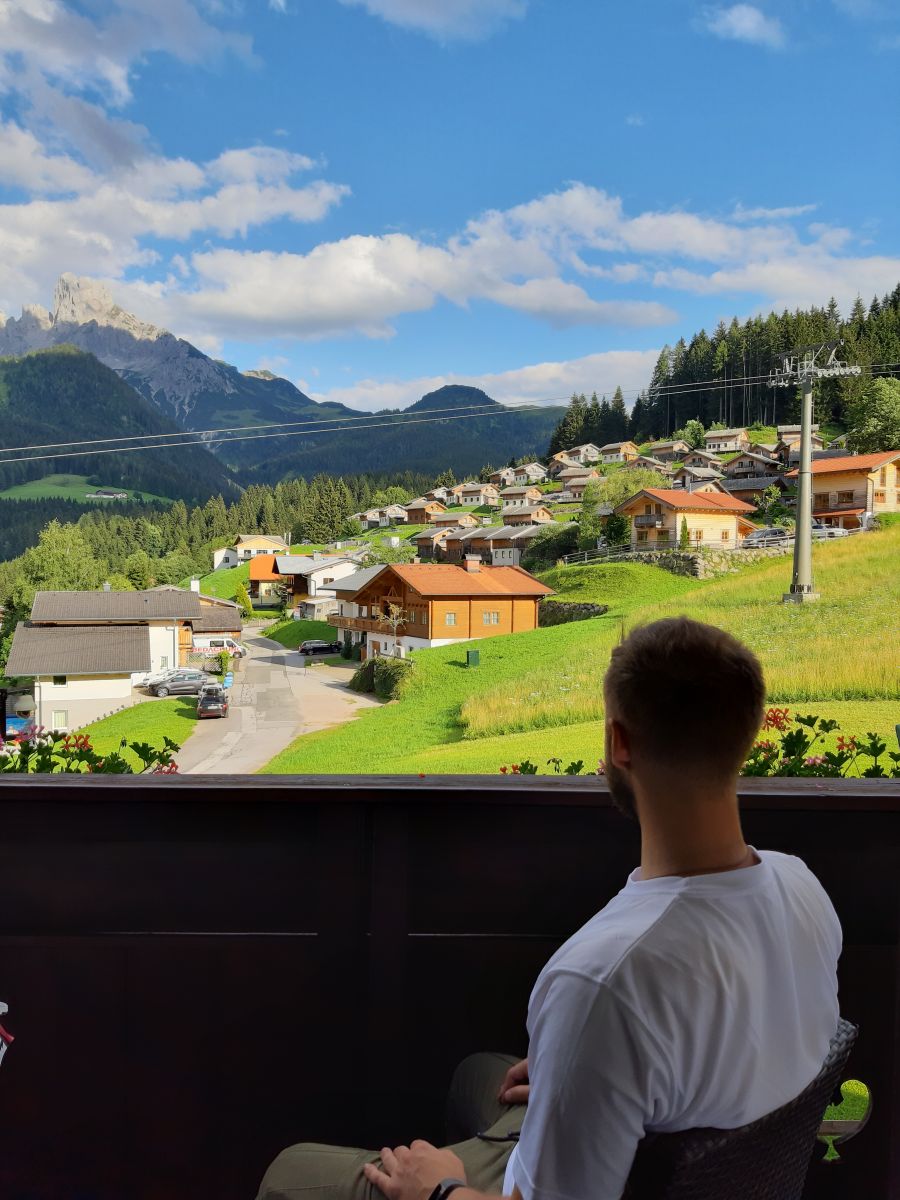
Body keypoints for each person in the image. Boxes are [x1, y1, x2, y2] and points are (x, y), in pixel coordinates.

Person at [257, 617, 842, 1200]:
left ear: (619, 743)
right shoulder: (802, 886)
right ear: (745, 732)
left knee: (292, 1173)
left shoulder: (604, 981)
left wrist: (437, 1190)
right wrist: (591, 1075)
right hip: (702, 1156)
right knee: (480, 1076)